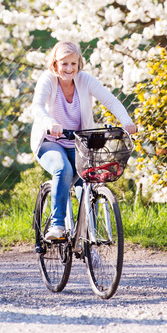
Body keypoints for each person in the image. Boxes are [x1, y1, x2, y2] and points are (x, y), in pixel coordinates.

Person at [29, 41, 137, 242]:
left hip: (78, 144)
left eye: (73, 63)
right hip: (51, 141)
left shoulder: (85, 80)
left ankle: (89, 239)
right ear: (55, 63)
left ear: (79, 63)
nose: (69, 68)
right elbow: (37, 106)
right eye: (64, 64)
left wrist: (126, 122)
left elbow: (110, 100)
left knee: (89, 184)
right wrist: (49, 122)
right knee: (63, 169)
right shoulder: (48, 80)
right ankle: (57, 225)